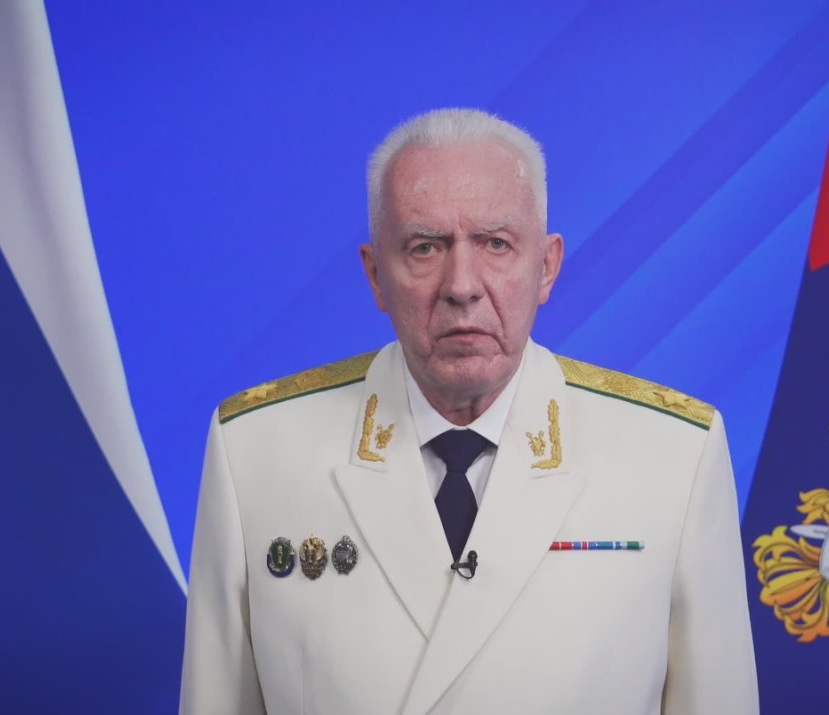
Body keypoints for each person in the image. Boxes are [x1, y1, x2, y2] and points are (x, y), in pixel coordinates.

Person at [180, 108, 759, 714]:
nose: (462, 285)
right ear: (375, 275)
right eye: (425, 247)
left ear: (547, 266)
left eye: (495, 244)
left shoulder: (673, 458)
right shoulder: (255, 453)